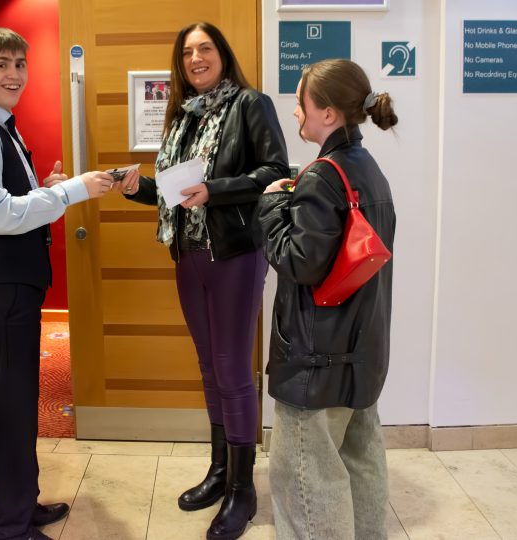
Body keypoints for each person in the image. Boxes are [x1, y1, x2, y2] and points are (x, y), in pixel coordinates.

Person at [0, 26, 116, 540]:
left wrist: (44, 190)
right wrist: (70, 195)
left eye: (20, 63)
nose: (14, 73)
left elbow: (3, 201)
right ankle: (9, 526)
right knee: (11, 408)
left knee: (17, 403)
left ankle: (20, 502)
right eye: (1, 63)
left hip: (14, 284)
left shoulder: (1, 126)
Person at [119, 21, 290, 540]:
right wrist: (137, 188)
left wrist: (214, 189)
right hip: (188, 252)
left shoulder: (250, 104)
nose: (196, 58)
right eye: (188, 52)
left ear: (222, 54)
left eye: (205, 49)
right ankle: (220, 471)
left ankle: (243, 489)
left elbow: (275, 172)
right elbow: (176, 193)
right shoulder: (182, 116)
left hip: (235, 252)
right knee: (207, 365)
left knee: (232, 367)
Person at [257, 58, 397, 539]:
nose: (296, 112)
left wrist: (272, 207)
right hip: (361, 352)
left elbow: (299, 263)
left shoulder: (322, 175)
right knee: (360, 463)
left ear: (330, 115)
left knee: (306, 484)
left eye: (302, 104)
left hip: (316, 359)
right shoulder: (366, 167)